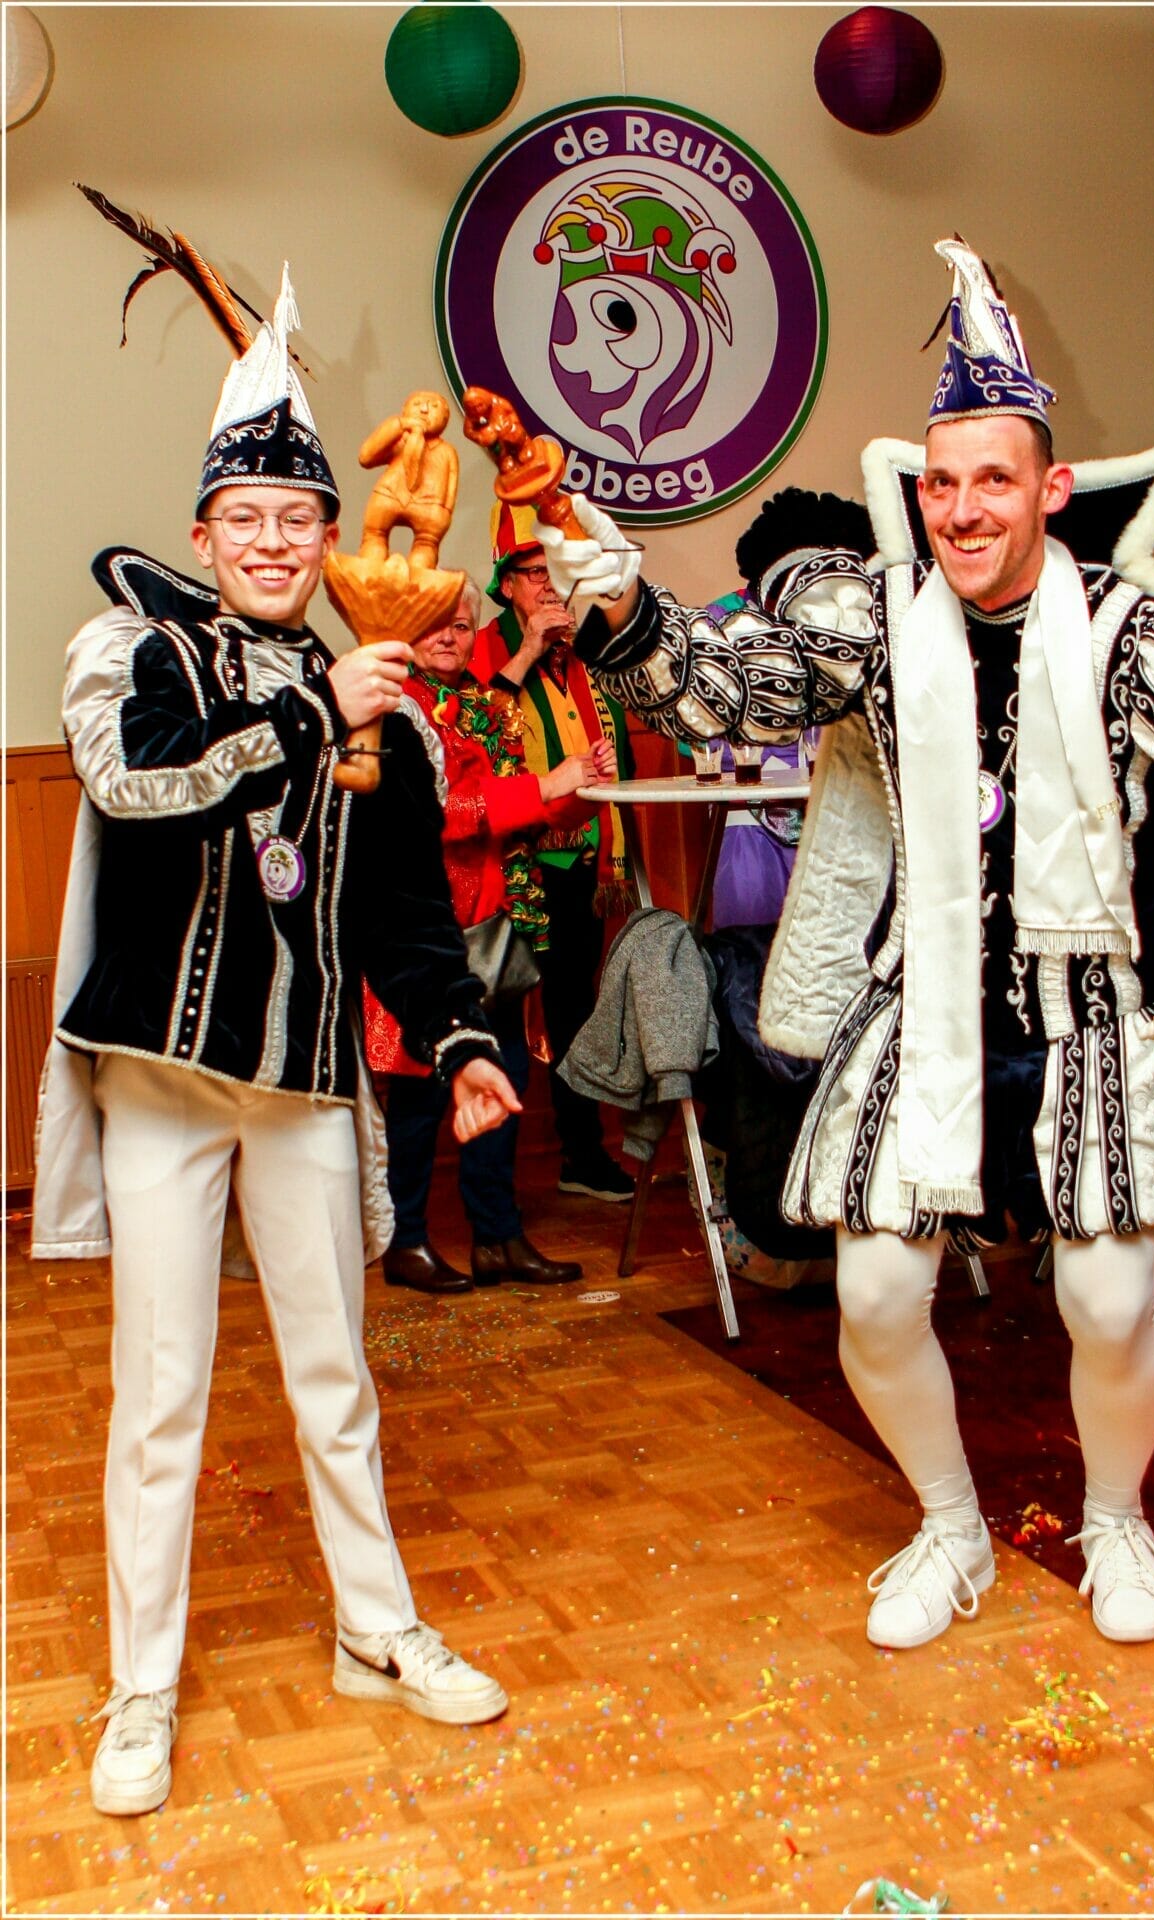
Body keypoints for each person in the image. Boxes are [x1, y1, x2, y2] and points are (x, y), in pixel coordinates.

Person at [534, 239, 1154, 1654]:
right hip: (924, 1003)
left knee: (1107, 1302)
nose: (961, 508)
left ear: (1051, 488)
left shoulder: (1137, 635)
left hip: (1094, 1005)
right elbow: (724, 688)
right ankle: (948, 1527)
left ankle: (1113, 1518)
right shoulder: (871, 617)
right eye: (940, 483)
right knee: (874, 1297)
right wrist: (622, 608)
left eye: (992, 479)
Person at [31, 269, 521, 1819]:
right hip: (163, 1083)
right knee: (161, 1394)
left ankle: (378, 1630)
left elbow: (405, 916)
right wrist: (318, 716)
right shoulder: (131, 655)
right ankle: (142, 1687)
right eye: (242, 517)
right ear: (201, 535)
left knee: (335, 1375)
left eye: (295, 519)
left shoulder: (377, 701)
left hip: (305, 1085)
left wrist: (460, 1042)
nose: (268, 541)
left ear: (329, 540)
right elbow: (141, 786)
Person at [365, 575, 617, 1290]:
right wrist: (543, 785)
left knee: (504, 1079)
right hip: (424, 938)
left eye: (460, 624)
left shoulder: (476, 705)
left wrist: (578, 788)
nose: (449, 636)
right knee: (420, 1095)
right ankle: (405, 1242)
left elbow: (518, 818)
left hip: (493, 927)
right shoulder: (391, 709)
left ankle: (498, 1238)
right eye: (433, 623)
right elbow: (436, 814)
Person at [471, 502, 637, 1205]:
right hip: (512, 863)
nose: (546, 584)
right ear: (506, 584)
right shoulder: (483, 646)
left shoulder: (585, 650)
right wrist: (529, 651)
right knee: (499, 1015)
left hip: (582, 857)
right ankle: (490, 1190)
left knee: (576, 1008)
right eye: (531, 572)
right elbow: (475, 736)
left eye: (552, 571)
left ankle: (581, 1153)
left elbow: (618, 742)